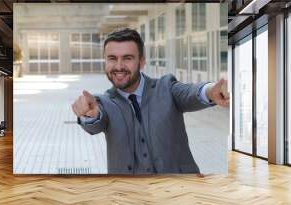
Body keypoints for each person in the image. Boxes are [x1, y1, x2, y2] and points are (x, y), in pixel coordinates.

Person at [71, 28, 229, 174]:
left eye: (127, 58)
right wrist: (89, 116)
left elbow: (189, 92)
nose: (119, 66)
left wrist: (209, 91)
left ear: (141, 62)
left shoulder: (166, 88)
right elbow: (96, 123)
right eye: (112, 58)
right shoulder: (103, 102)